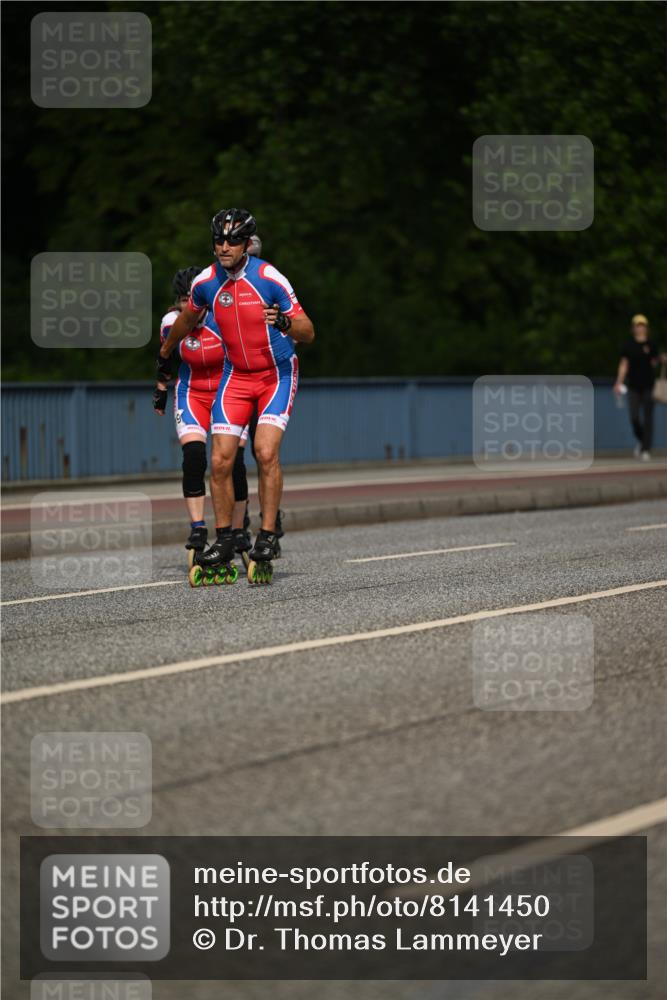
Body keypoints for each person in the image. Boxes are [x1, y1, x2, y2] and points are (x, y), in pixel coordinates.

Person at [160, 208, 315, 583]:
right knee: (221, 460)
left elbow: (308, 331)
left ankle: (266, 534)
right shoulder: (206, 283)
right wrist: (165, 355)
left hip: (275, 373)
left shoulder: (268, 277)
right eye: (218, 240)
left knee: (264, 452)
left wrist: (283, 321)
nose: (224, 247)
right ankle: (227, 537)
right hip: (236, 376)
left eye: (232, 240)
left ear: (247, 243)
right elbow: (185, 320)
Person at [153, 267, 252, 565]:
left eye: (191, 299)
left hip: (228, 392)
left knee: (234, 463)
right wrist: (161, 387)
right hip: (192, 392)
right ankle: (198, 528)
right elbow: (166, 354)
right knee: (194, 457)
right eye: (182, 300)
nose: (187, 306)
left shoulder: (223, 320)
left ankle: (237, 529)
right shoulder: (171, 323)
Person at [614, 314, 666, 460]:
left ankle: (645, 449)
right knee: (634, 417)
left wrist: (660, 359)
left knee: (648, 418)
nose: (640, 328)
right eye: (637, 325)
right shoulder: (628, 345)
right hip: (633, 386)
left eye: (642, 325)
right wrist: (619, 382)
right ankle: (643, 440)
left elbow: (654, 362)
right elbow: (624, 364)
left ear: (646, 328)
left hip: (649, 385)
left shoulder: (651, 344)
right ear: (633, 328)